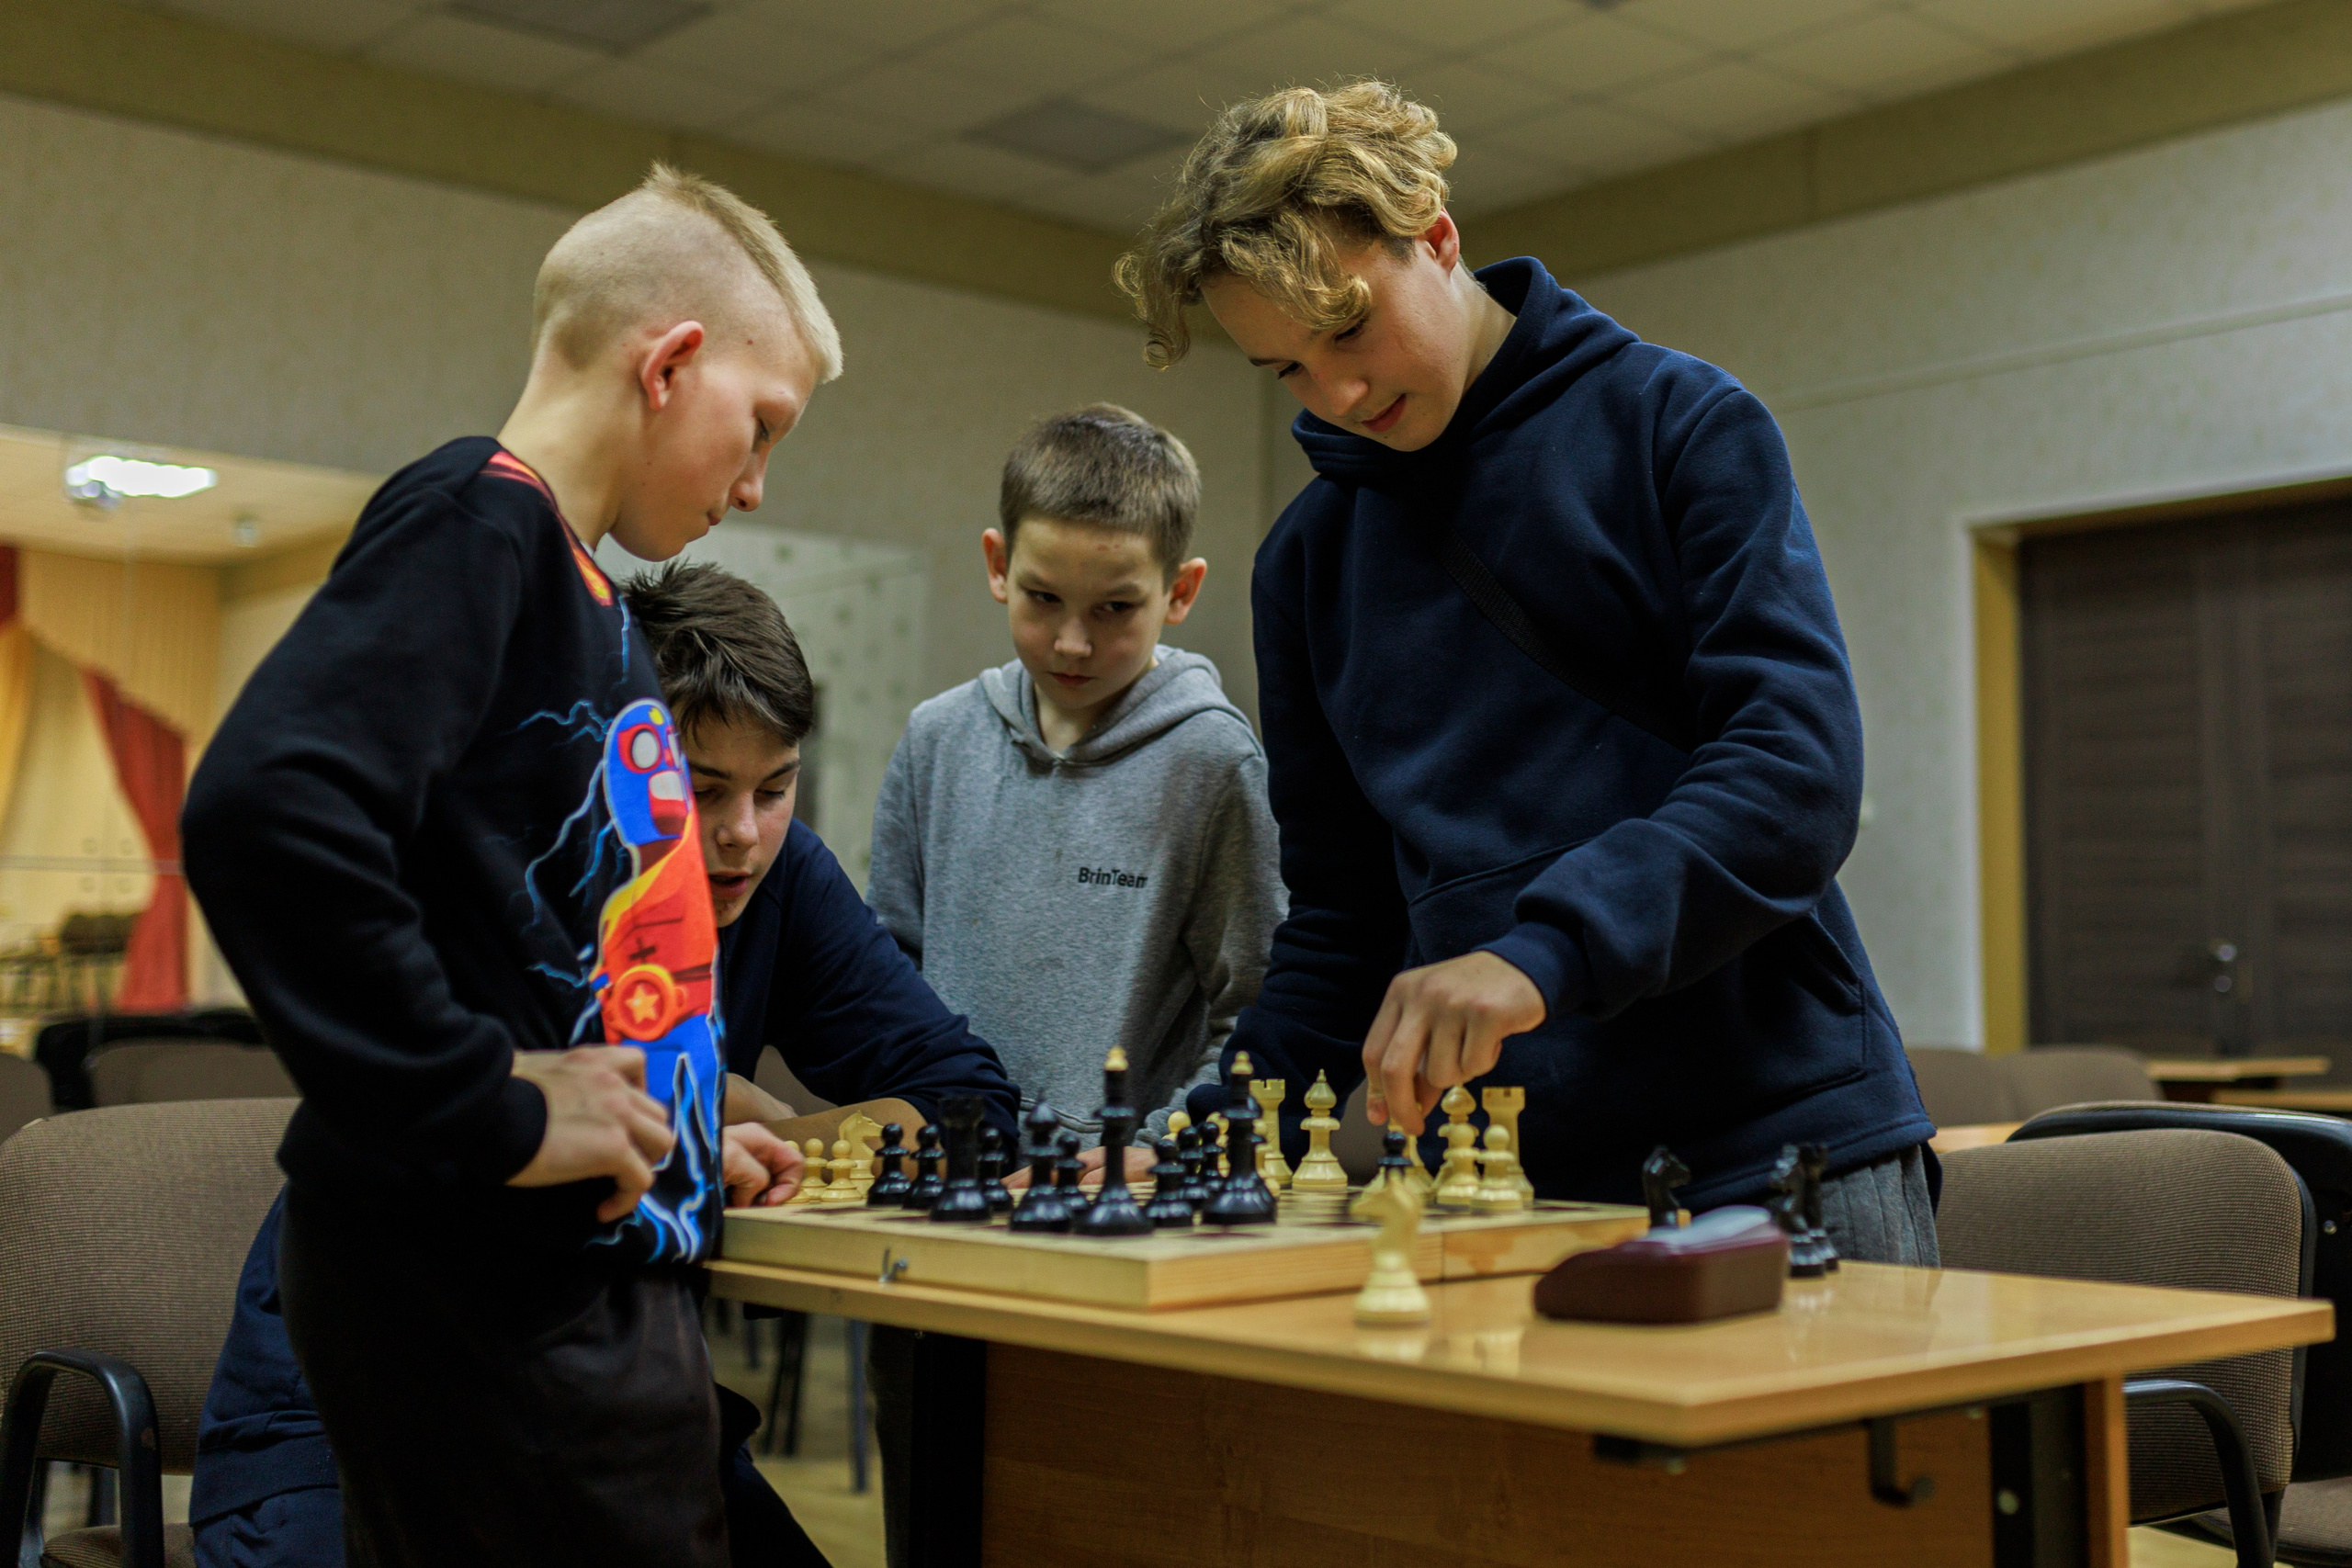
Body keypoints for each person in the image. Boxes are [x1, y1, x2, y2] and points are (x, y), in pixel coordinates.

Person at [1122, 83, 1938, 1261]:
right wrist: (1202, 1134)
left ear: (1437, 239)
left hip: (1778, 1144)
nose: (1339, 396)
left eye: (1349, 329)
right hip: (1506, 1184)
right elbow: (1347, 924)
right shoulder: (1306, 562)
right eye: (1287, 371)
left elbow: (1793, 773)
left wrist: (1536, 955)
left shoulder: (1678, 424)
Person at [183, 163, 837, 1568]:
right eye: (760, 423)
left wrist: (676, 1125)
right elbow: (267, 807)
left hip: (575, 1286)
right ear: (670, 363)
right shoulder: (482, 520)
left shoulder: (578, 583)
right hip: (487, 1292)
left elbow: (530, 930)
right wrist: (478, 1097)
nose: (757, 479)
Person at [187, 558, 1021, 1567]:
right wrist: (679, 1127)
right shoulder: (504, 872)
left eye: (776, 787)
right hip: (355, 1420)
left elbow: (972, 1105)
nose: (741, 838)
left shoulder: (782, 873)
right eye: (702, 789)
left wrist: (746, 1133)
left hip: (604, 1412)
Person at [866, 404, 1284, 1161]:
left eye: (1115, 609)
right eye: (1043, 597)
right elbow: (884, 975)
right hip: (944, 1171)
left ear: (1180, 592)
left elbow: (1255, 1007)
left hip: (1120, 1193)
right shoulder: (938, 737)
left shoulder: (1213, 761)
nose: (1071, 641)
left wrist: (1161, 1147)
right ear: (998, 565)